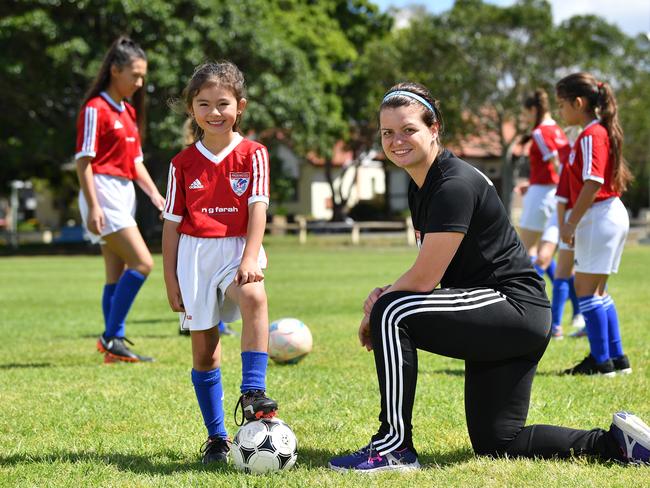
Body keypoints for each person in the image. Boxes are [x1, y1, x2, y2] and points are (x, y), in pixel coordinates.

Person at [328, 82, 649, 472]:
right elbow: (435, 268)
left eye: (408, 129)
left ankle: (393, 446)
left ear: (434, 129)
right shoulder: (421, 185)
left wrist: (379, 305)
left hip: (512, 307)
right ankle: (618, 445)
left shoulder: (452, 184)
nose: (397, 141)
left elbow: (426, 278)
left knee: (394, 312)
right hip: (510, 318)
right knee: (499, 441)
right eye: (387, 132)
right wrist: (384, 296)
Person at [162, 61, 277, 464]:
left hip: (237, 248)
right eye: (204, 104)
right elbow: (173, 227)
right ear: (192, 109)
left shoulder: (253, 154)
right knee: (205, 352)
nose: (214, 112)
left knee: (254, 297)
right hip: (195, 256)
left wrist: (249, 255)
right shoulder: (181, 164)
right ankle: (216, 437)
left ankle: (252, 390)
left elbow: (258, 208)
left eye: (223, 103)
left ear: (240, 106)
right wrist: (171, 280)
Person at [75, 36, 166, 363]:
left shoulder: (127, 111)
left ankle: (114, 345)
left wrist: (155, 194)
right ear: (115, 70)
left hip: (123, 192)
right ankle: (110, 338)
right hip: (102, 192)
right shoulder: (94, 109)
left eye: (143, 77)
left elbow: (135, 163)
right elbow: (84, 160)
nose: (140, 83)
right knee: (143, 263)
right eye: (135, 75)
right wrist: (94, 205)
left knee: (116, 273)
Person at [555, 73, 633, 376]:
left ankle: (601, 362)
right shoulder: (597, 132)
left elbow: (593, 181)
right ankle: (617, 358)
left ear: (578, 102)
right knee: (598, 291)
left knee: (585, 290)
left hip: (598, 214)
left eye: (562, 104)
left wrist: (570, 223)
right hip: (608, 213)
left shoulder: (590, 134)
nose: (560, 110)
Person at [517, 89, 583, 339]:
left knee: (523, 257)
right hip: (554, 196)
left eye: (525, 114)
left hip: (543, 198)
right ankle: (573, 314)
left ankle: (526, 310)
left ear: (533, 110)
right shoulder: (556, 128)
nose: (525, 119)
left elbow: (557, 164)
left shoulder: (540, 132)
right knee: (551, 259)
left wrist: (543, 187)